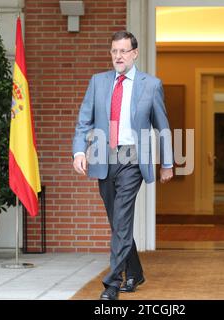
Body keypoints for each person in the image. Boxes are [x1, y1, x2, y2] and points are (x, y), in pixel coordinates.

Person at [72, 30, 174, 300]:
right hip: (104, 158)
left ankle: (113, 283)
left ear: (134, 53)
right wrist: (79, 152)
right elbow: (85, 121)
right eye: (114, 51)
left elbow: (162, 127)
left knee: (121, 219)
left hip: (132, 159)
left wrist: (167, 163)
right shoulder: (98, 82)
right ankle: (136, 272)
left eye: (123, 51)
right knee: (118, 224)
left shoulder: (150, 85)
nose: (118, 56)